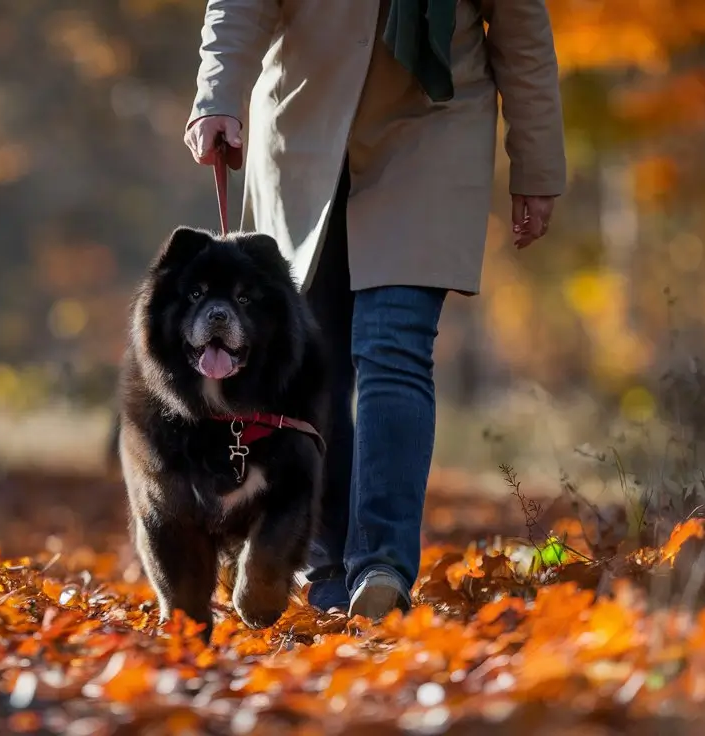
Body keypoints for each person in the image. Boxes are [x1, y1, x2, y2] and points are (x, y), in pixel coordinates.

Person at [182, 0, 565, 621]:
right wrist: (217, 94)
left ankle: (382, 564)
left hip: (433, 127)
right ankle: (323, 560)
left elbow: (520, 25)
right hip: (305, 125)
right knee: (318, 359)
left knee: (395, 342)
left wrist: (538, 163)